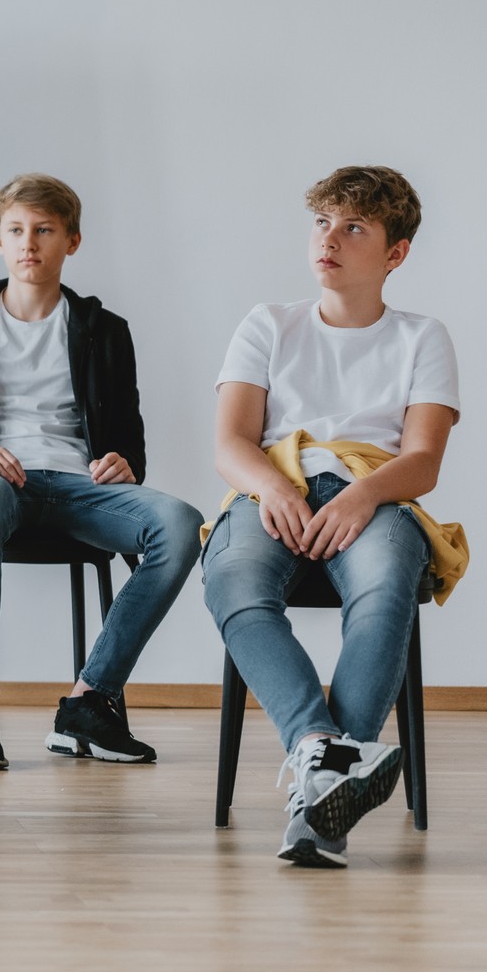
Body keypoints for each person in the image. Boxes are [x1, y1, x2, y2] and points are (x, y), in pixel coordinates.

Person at [202, 165, 465, 869]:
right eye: (322, 222)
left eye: (354, 228)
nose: (331, 239)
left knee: (383, 593)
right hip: (273, 486)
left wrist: (360, 496)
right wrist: (274, 490)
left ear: (395, 253)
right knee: (233, 583)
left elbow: (424, 459)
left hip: (373, 494)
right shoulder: (268, 324)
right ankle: (324, 752)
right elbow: (231, 442)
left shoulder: (422, 336)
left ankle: (319, 795)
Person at [0, 174, 204, 771]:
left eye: (44, 230)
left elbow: (128, 441)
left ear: (73, 241)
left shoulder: (104, 331)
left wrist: (123, 461)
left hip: (78, 487)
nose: (29, 243)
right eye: (16, 230)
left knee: (180, 523)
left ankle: (89, 702)